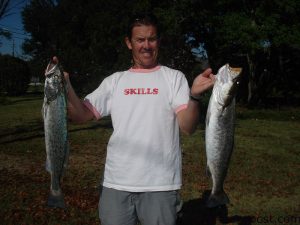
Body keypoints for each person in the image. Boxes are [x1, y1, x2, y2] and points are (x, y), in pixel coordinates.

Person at [56, 12, 215, 225]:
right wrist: (66, 86)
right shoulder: (115, 81)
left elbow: (187, 127)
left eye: (152, 39)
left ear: (158, 41)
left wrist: (194, 96)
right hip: (116, 184)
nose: (146, 45)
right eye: (140, 39)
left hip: (160, 185)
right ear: (129, 43)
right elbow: (80, 115)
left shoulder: (173, 77)